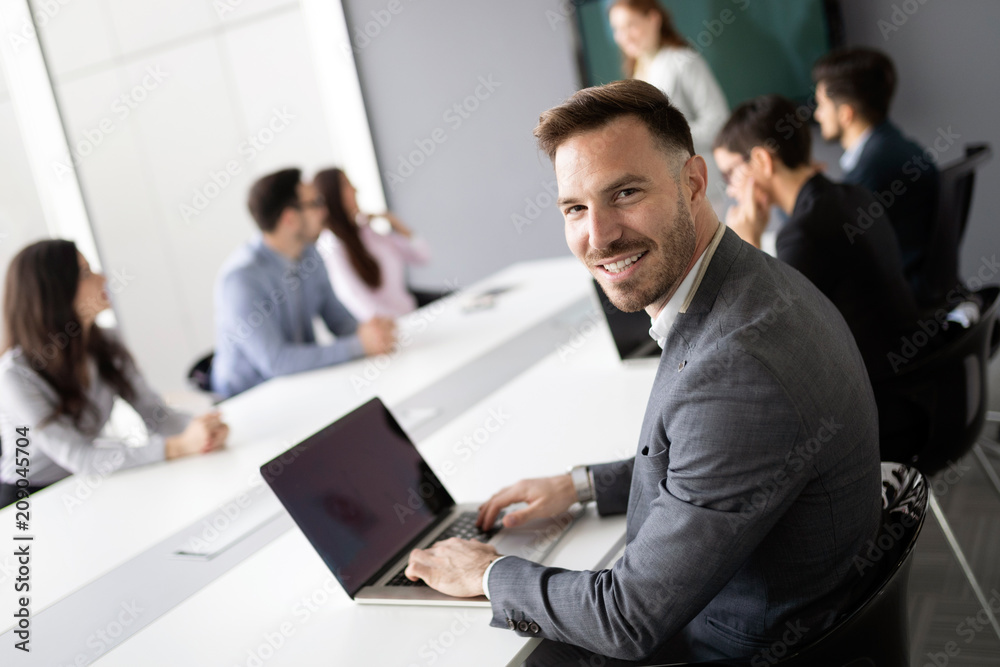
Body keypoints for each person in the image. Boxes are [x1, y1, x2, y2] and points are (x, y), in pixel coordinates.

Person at [403, 80, 881, 663]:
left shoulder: (737, 368)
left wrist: (488, 572)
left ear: (694, 183)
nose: (598, 236)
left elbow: (626, 619)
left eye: (625, 193)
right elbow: (714, 462)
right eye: (575, 208)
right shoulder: (752, 283)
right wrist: (579, 486)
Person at [0, 240, 228, 508]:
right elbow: (81, 457)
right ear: (55, 294)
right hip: (27, 501)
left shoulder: (107, 343)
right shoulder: (15, 375)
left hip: (82, 484)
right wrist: (177, 447)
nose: (103, 279)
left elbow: (156, 414)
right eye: (85, 274)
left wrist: (201, 429)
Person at [712, 94, 920, 387]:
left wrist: (747, 247)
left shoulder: (803, 232)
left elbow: (772, 345)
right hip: (913, 375)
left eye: (729, 173)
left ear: (761, 160)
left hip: (879, 398)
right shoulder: (852, 194)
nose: (731, 190)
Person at [211, 168, 396, 398]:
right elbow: (277, 362)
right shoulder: (240, 280)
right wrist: (359, 346)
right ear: (290, 218)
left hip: (299, 385)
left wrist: (370, 330)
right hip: (249, 399)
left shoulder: (309, 254)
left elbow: (339, 320)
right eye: (316, 203)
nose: (324, 211)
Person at [812, 47, 941, 306]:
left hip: (896, 308)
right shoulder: (893, 146)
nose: (816, 114)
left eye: (821, 104)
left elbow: (826, 247)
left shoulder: (874, 167)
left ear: (846, 113)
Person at [313, 168, 431, 321]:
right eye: (347, 185)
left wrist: (393, 221)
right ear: (333, 195)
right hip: (395, 325)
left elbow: (423, 257)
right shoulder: (331, 244)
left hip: (411, 310)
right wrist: (396, 328)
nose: (355, 190)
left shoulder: (366, 232)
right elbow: (356, 299)